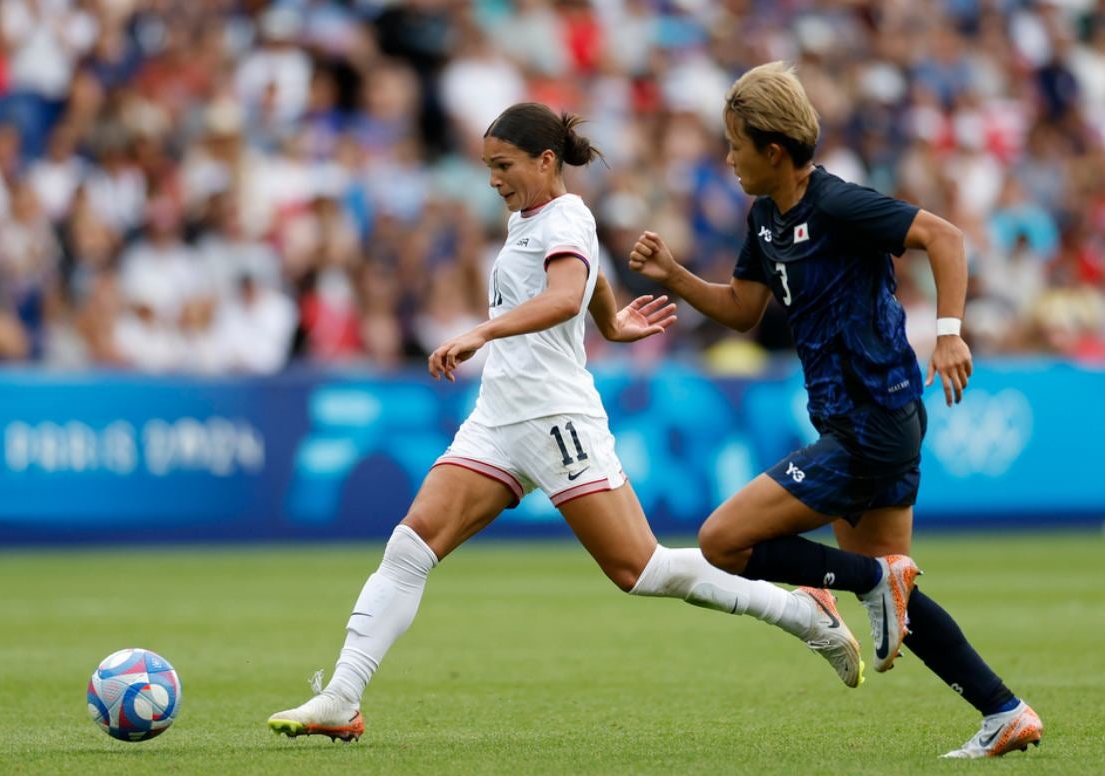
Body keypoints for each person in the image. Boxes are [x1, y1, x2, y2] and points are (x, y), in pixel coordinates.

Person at [267, 102, 877, 742]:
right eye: (487, 167)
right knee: (410, 545)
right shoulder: (530, 219)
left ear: (546, 161)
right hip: (499, 418)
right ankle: (342, 696)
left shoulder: (568, 214)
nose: (494, 180)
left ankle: (801, 609)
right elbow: (580, 291)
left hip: (557, 417)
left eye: (503, 166)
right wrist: (611, 324)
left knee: (640, 570)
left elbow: (563, 292)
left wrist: (482, 330)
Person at [628, 63, 1043, 759]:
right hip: (867, 424)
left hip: (871, 425)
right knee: (893, 598)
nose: (726, 159)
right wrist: (676, 278)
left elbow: (945, 237)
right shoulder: (765, 219)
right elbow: (742, 310)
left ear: (774, 152)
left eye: (734, 146)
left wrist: (948, 334)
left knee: (724, 540)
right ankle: (1004, 711)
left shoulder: (840, 206)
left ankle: (872, 583)